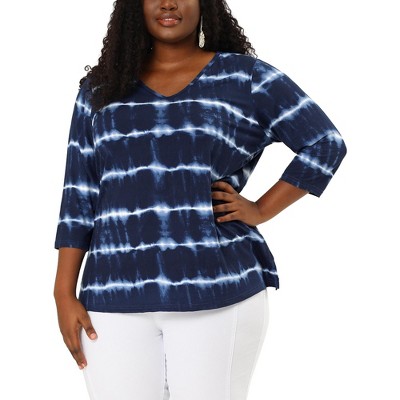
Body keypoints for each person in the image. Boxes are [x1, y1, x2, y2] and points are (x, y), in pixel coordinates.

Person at [53, 0, 347, 399]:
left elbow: (324, 142)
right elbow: (79, 192)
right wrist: (63, 292)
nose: (168, 3)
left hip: (215, 288)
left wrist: (261, 209)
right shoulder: (100, 89)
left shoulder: (245, 78)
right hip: (111, 294)